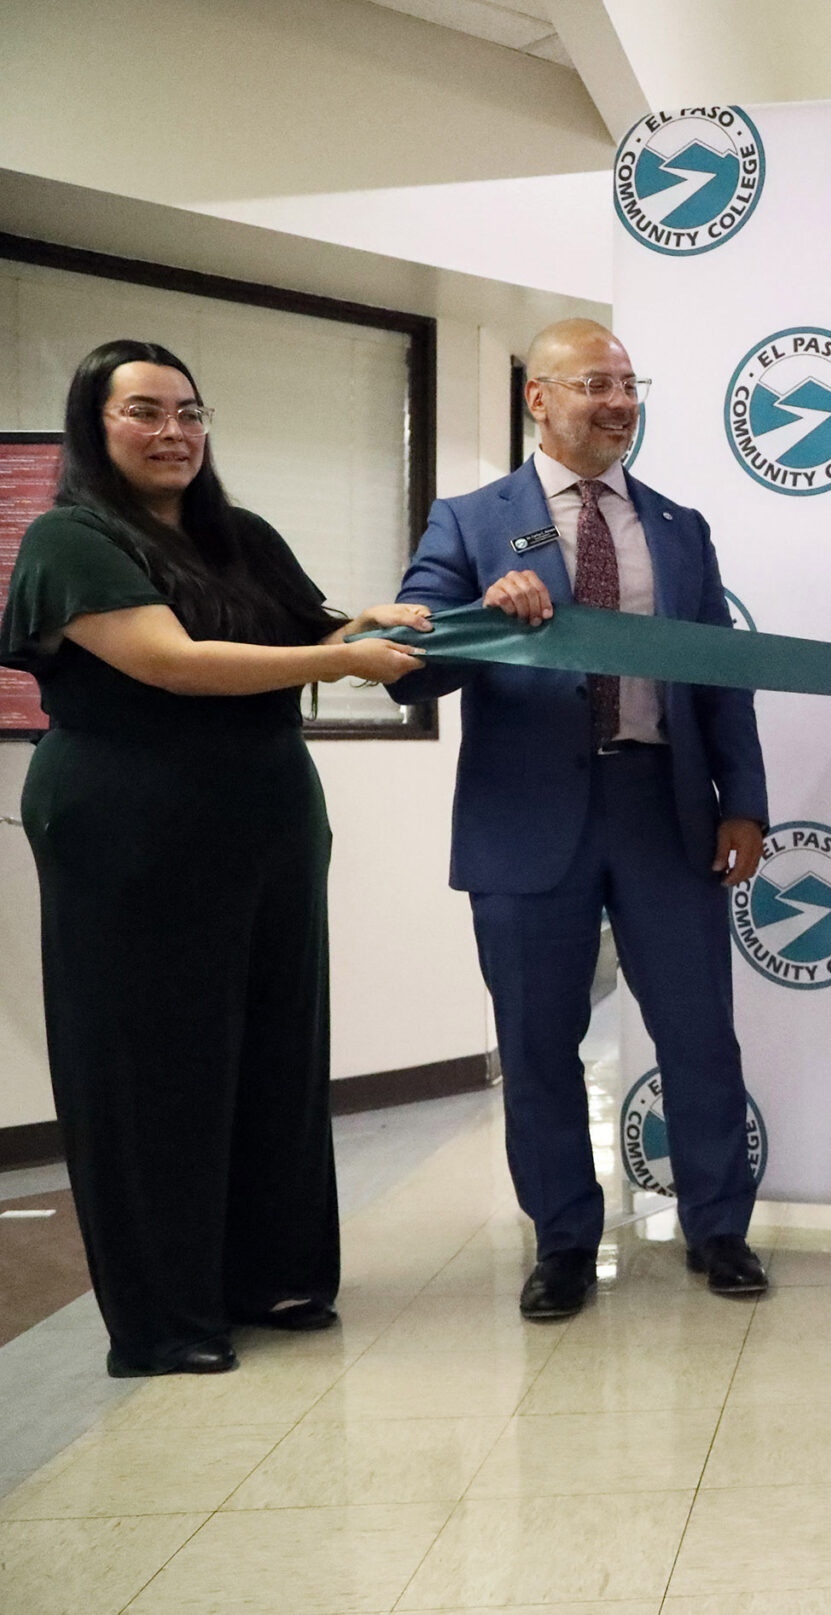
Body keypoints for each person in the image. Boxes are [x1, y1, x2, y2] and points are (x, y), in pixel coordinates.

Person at [0, 340, 426, 1377]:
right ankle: (167, 1318)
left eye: (189, 412)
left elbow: (315, 626)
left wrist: (387, 622)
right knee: (152, 1065)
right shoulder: (70, 537)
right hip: (131, 828)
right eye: (144, 411)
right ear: (94, 426)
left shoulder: (243, 534)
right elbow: (171, 661)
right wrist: (343, 655)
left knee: (276, 1051)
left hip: (267, 819)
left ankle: (272, 1276)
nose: (173, 432)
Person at [388, 318, 770, 1320]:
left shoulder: (679, 527)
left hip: (663, 809)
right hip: (525, 819)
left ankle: (718, 1228)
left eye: (629, 385)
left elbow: (721, 676)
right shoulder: (469, 523)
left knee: (699, 1034)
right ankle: (562, 1242)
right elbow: (408, 665)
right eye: (596, 384)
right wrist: (485, 615)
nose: (619, 403)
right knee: (535, 1043)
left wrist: (744, 801)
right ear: (540, 398)